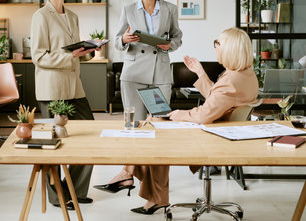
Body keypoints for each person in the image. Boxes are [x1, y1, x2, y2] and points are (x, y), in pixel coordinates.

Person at [97, 27, 260, 215]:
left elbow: (205, 114)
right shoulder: (245, 74)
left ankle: (133, 178)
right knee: (156, 120)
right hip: (225, 131)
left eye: (218, 43)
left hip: (216, 136)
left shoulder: (231, 80)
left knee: (157, 126)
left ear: (230, 49)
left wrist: (179, 113)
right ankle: (137, 182)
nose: (215, 46)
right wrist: (200, 72)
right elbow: (218, 99)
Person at [94, 0, 182, 214]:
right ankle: (132, 177)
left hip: (159, 76)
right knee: (133, 129)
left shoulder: (170, 9)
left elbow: (178, 37)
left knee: (159, 132)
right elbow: (117, 40)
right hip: (133, 76)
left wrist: (168, 45)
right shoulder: (129, 9)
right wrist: (124, 40)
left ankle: (138, 181)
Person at [31, 0, 101, 210]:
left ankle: (76, 190)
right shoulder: (41, 16)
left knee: (90, 135)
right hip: (52, 88)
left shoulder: (72, 16)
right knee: (53, 144)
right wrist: (69, 55)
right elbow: (38, 56)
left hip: (74, 87)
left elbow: (75, 52)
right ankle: (57, 196)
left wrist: (89, 50)